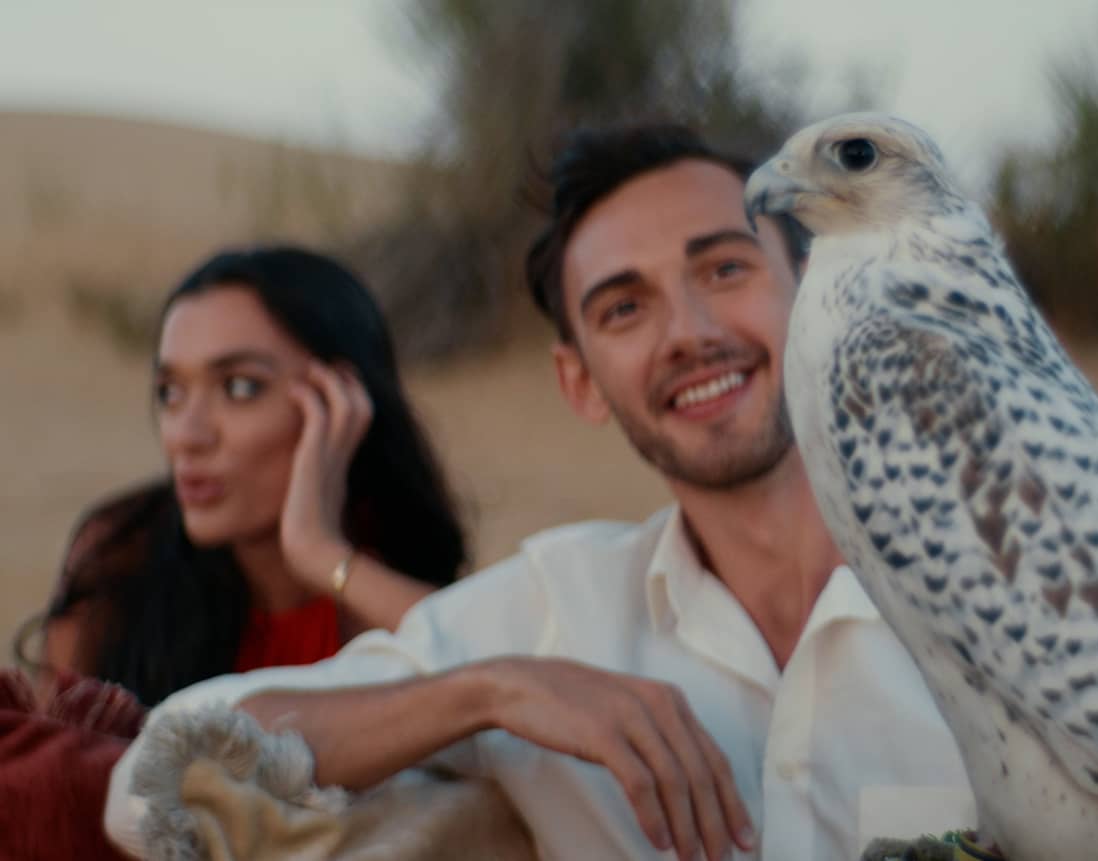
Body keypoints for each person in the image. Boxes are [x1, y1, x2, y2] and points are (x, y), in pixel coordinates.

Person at [105, 127, 975, 861]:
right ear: (580, 382)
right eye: (624, 309)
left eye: (723, 270)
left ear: (817, 292)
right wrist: (491, 691)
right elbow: (153, 783)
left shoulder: (1017, 581)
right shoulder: (558, 613)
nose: (692, 334)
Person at [1, 246, 467, 860]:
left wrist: (319, 551)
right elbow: (56, 793)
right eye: (170, 391)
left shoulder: (389, 572)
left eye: (239, 388)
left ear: (341, 401)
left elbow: (502, 686)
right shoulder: (123, 557)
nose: (187, 435)